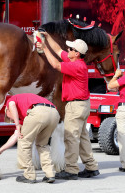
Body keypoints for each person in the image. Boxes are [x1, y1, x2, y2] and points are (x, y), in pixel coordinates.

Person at [36, 33, 99, 180]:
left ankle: (71, 170)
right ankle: (91, 167)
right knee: (83, 138)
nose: (68, 49)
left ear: (76, 53)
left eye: (70, 48)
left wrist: (44, 47)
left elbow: (56, 65)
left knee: (71, 137)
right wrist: (48, 37)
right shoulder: (75, 61)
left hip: (75, 106)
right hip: (82, 105)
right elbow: (58, 51)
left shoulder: (76, 66)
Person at [0, 93, 60, 183]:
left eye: (9, 118)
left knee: (24, 142)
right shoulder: (24, 110)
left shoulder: (11, 102)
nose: (11, 121)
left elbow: (12, 105)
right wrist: (0, 150)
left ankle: (29, 175)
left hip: (38, 111)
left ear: (7, 111)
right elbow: (16, 135)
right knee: (42, 144)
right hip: (54, 113)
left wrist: (16, 124)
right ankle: (50, 174)